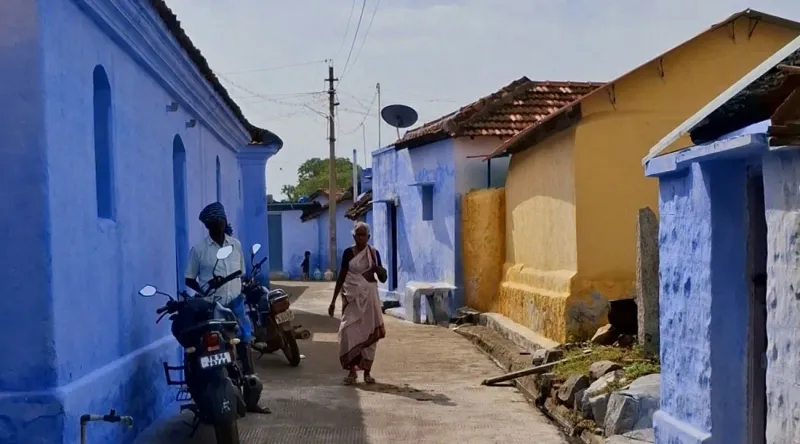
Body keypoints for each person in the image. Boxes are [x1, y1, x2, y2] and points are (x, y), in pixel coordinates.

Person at [184, 202, 271, 414]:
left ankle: (251, 396)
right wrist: (204, 289)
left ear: (224, 221)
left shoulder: (236, 245)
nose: (218, 225)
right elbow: (189, 278)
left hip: (236, 304)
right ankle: (206, 390)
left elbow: (240, 271)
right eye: (214, 223)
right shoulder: (199, 250)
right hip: (213, 306)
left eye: (221, 221)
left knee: (244, 342)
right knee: (211, 346)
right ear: (207, 226)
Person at [328, 222, 387, 385]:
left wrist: (379, 270)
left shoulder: (373, 253)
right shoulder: (348, 253)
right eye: (358, 235)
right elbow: (342, 276)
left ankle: (367, 372)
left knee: (369, 333)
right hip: (352, 298)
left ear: (369, 237)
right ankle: (351, 371)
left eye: (364, 235)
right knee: (348, 332)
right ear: (354, 237)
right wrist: (333, 301)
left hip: (370, 299)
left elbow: (382, 277)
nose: (361, 238)